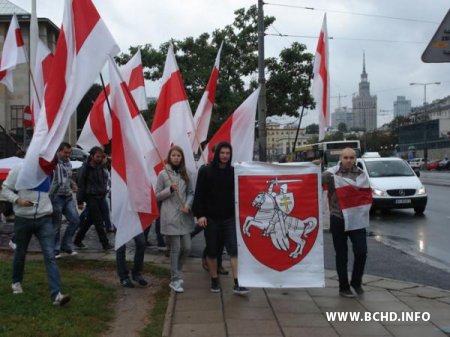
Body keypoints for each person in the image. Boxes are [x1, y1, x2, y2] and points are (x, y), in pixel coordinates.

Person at [1, 163, 71, 305]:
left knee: (50, 255)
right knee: (20, 253)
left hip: (44, 218)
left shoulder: (47, 170)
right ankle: (16, 282)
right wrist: (18, 200)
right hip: (23, 219)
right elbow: (5, 189)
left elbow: (51, 189)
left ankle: (56, 295)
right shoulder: (19, 169)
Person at [193, 141, 248, 295]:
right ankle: (214, 279)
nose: (225, 156)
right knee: (212, 251)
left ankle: (237, 282)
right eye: (222, 153)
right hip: (210, 219)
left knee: (233, 250)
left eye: (228, 153)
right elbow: (199, 195)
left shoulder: (234, 171)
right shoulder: (205, 171)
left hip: (229, 218)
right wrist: (200, 214)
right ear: (217, 154)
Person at [321, 148, 371, 298]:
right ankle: (344, 287)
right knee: (341, 255)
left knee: (361, 252)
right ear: (341, 158)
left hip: (357, 219)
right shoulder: (331, 175)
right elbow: (315, 181)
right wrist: (314, 167)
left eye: (351, 157)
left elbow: (366, 194)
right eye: (346, 157)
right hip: (338, 218)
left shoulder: (362, 175)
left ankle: (356, 281)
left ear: (355, 159)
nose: (349, 160)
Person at [155, 146, 195, 293]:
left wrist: (188, 205)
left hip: (184, 216)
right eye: (174, 155)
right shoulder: (162, 174)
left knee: (187, 247)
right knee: (176, 249)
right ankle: (175, 279)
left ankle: (177, 271)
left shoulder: (187, 173)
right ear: (169, 157)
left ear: (182, 158)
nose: (176, 158)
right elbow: (157, 195)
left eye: (179, 155)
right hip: (170, 216)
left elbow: (191, 192)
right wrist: (169, 190)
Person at [74, 147, 113, 250]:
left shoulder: (101, 166)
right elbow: (81, 185)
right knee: (99, 221)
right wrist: (80, 201)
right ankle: (105, 243)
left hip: (100, 196)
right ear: (92, 156)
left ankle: (78, 239)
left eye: (101, 157)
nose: (99, 159)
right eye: (97, 156)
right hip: (90, 196)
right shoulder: (85, 168)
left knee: (90, 220)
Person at [49, 142, 80, 258]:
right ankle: (55, 249)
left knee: (75, 220)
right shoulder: (53, 162)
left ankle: (65, 245)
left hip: (67, 195)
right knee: (56, 224)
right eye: (66, 152)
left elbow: (68, 177)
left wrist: (73, 184)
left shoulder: (68, 163)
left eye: (69, 152)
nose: (68, 155)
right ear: (59, 151)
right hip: (56, 196)